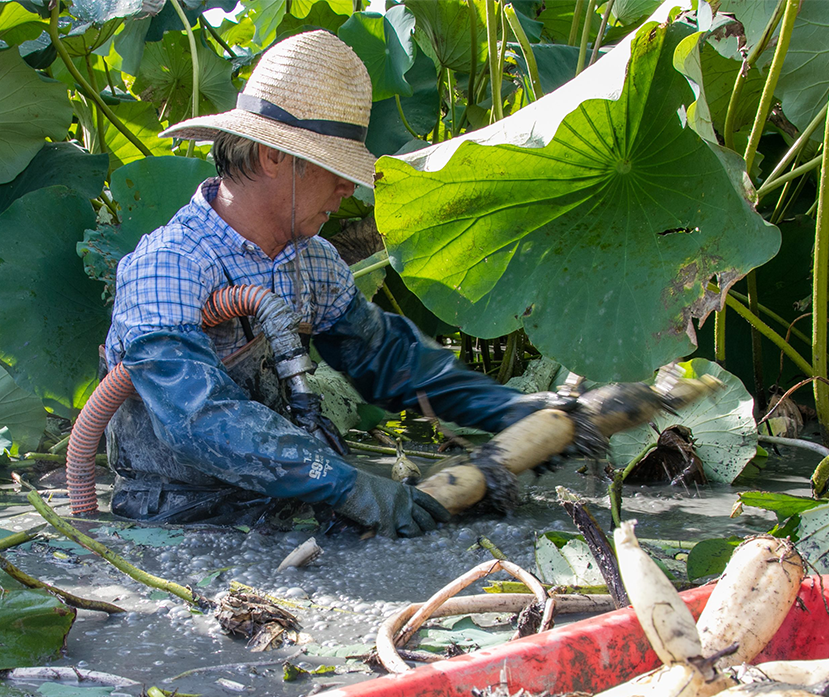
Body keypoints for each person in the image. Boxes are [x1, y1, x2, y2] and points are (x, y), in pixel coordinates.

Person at [103, 29, 556, 536]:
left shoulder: (315, 265)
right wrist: (348, 484)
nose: (347, 186)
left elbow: (390, 360)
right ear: (273, 157)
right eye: (332, 167)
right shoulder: (170, 264)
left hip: (280, 501)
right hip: (173, 519)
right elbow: (197, 418)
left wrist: (511, 412)